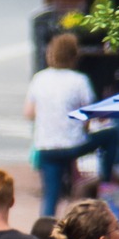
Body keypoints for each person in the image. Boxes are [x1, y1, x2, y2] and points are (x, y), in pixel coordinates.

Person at [25, 33, 97, 216]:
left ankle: (45, 232)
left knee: (51, 195)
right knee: (110, 136)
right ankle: (103, 178)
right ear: (74, 55)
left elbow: (29, 113)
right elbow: (88, 114)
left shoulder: (39, 79)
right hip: (74, 144)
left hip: (47, 146)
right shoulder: (80, 80)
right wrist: (84, 129)